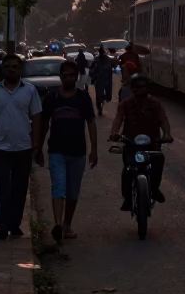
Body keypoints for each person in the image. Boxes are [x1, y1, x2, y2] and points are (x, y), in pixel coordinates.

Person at [35, 60, 98, 242]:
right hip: (56, 151)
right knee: (58, 188)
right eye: (65, 75)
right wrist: (38, 148)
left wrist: (94, 150)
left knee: (72, 192)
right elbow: (44, 125)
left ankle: (67, 224)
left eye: (72, 75)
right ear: (60, 77)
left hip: (78, 152)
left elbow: (91, 123)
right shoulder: (51, 99)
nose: (68, 78)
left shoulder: (83, 98)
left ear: (76, 77)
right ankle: (58, 224)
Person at [0, 53, 42, 240]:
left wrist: (37, 144)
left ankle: (15, 223)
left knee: (20, 187)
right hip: (0, 146)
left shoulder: (30, 90)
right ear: (3, 69)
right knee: (2, 187)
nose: (11, 70)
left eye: (15, 66)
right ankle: (2, 224)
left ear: (20, 69)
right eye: (7, 66)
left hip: (23, 146)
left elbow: (36, 117)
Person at [108, 73, 172, 211]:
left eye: (143, 87)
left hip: (153, 143)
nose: (140, 90)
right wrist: (114, 134)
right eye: (137, 88)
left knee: (158, 162)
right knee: (127, 170)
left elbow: (163, 120)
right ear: (133, 89)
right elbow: (118, 119)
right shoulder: (125, 104)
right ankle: (127, 198)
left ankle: (154, 189)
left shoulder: (156, 104)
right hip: (131, 143)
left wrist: (166, 134)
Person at [90, 49, 114, 116]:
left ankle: (100, 107)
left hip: (103, 80)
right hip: (103, 80)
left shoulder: (103, 59)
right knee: (104, 95)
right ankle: (100, 108)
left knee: (102, 96)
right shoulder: (104, 59)